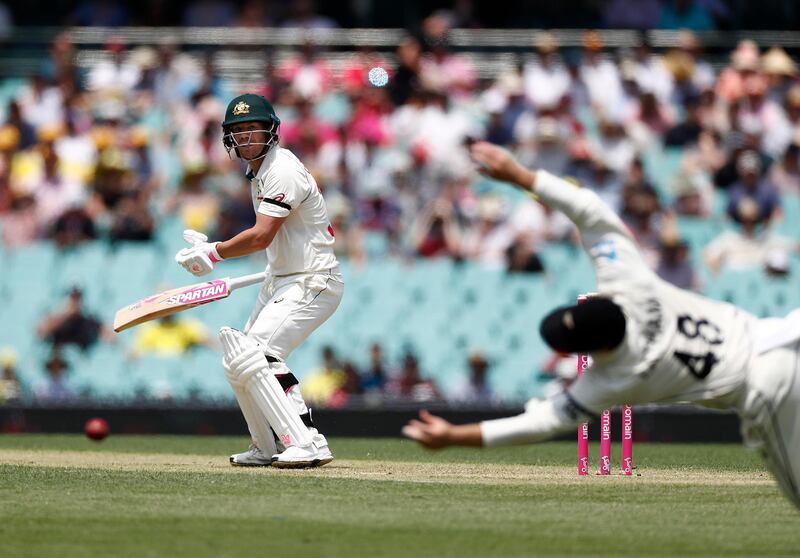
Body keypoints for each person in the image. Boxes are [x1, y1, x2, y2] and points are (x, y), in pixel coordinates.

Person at [404, 141, 800, 510]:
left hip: (767, 390)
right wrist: (520, 175)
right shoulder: (628, 279)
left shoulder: (615, 378)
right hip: (783, 335)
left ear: (591, 353)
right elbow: (588, 208)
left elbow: (537, 424)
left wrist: (454, 437)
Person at [174, 93, 343, 468]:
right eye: (239, 130)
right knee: (238, 361)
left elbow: (262, 235)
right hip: (284, 278)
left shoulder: (281, 169)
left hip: (313, 280)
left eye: (254, 128)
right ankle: (266, 445)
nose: (247, 137)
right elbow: (277, 242)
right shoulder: (259, 173)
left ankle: (307, 440)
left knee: (260, 354)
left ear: (271, 131)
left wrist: (215, 252)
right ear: (229, 138)